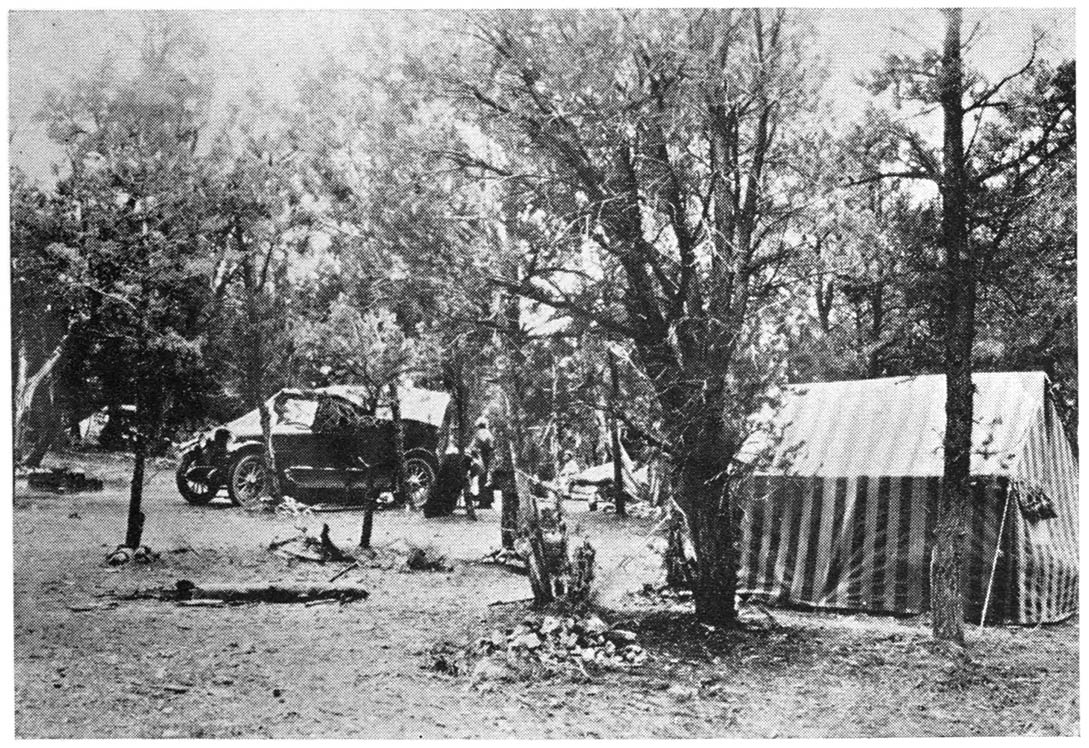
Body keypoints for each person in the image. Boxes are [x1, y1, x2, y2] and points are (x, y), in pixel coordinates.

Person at [469, 417, 494, 505]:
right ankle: (488, 500)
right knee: (487, 478)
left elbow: (473, 446)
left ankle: (483, 501)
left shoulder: (479, 433)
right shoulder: (489, 433)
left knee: (482, 478)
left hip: (481, 456)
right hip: (488, 457)